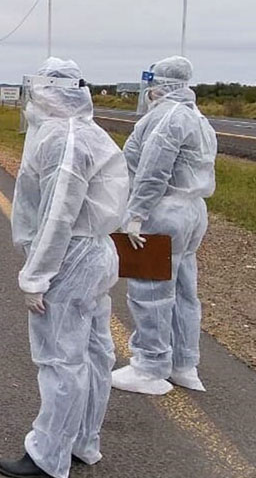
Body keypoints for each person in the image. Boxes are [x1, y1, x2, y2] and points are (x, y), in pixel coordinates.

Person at [0, 58, 129, 478]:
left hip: (70, 260)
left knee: (61, 361)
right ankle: (82, 442)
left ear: (47, 91)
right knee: (92, 353)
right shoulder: (82, 133)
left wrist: (36, 276)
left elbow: (59, 214)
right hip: (90, 255)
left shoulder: (63, 139)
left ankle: (48, 456)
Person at [111, 56, 216, 396]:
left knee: (151, 288)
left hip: (163, 212)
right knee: (185, 290)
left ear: (161, 85)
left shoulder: (167, 118)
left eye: (153, 82)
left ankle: (150, 366)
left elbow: (153, 170)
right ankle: (184, 363)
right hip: (192, 211)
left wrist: (136, 213)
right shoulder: (197, 118)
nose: (149, 89)